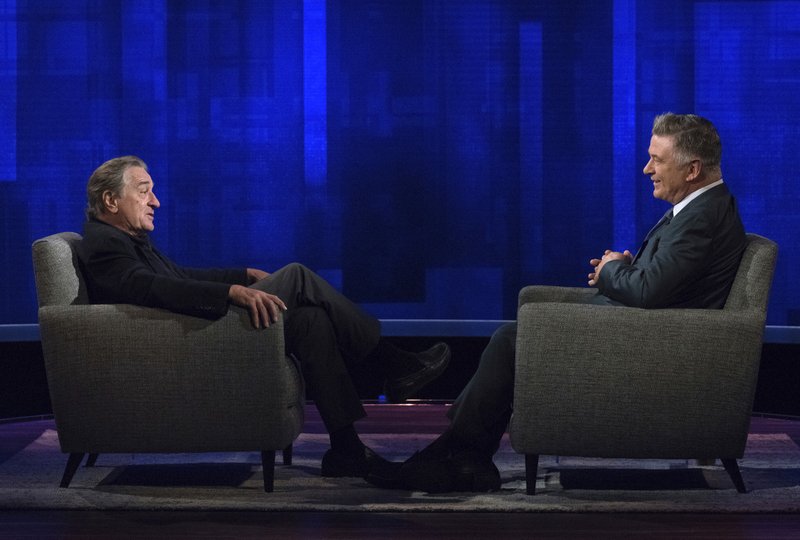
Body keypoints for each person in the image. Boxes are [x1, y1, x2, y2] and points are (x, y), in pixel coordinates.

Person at [368, 112, 747, 493]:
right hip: (642, 331)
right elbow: (666, 281)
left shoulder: (700, 216)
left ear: (693, 169)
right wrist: (626, 269)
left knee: (511, 341)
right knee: (513, 339)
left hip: (649, 346)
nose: (647, 168)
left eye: (657, 160)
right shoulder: (706, 207)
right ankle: (464, 457)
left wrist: (613, 271)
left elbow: (649, 292)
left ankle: (456, 457)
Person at [77, 155, 451, 481]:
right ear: (111, 200)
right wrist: (231, 293)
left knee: (310, 323)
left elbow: (179, 276)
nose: (155, 201)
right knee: (298, 276)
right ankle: (390, 362)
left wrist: (241, 275)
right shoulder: (106, 244)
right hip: (188, 343)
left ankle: (346, 450)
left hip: (193, 333)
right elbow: (151, 290)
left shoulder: (126, 241)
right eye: (144, 190)